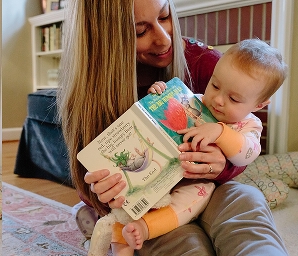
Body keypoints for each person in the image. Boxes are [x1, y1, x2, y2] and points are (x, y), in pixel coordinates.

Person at [57, 0, 288, 255]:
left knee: (245, 200)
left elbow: (246, 149)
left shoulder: (208, 63)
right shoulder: (92, 91)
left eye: (165, 16)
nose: (164, 39)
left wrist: (222, 164)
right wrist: (103, 191)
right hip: (156, 202)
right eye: (140, 31)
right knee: (177, 238)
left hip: (210, 188)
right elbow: (86, 171)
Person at [117, 39, 288, 253]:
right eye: (215, 85)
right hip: (161, 175)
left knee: (199, 197)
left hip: (202, 186)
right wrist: (160, 94)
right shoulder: (196, 102)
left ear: (259, 105)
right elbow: (163, 114)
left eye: (234, 99)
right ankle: (123, 233)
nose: (218, 100)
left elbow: (247, 153)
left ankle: (145, 228)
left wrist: (221, 132)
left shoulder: (249, 125)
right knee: (131, 206)